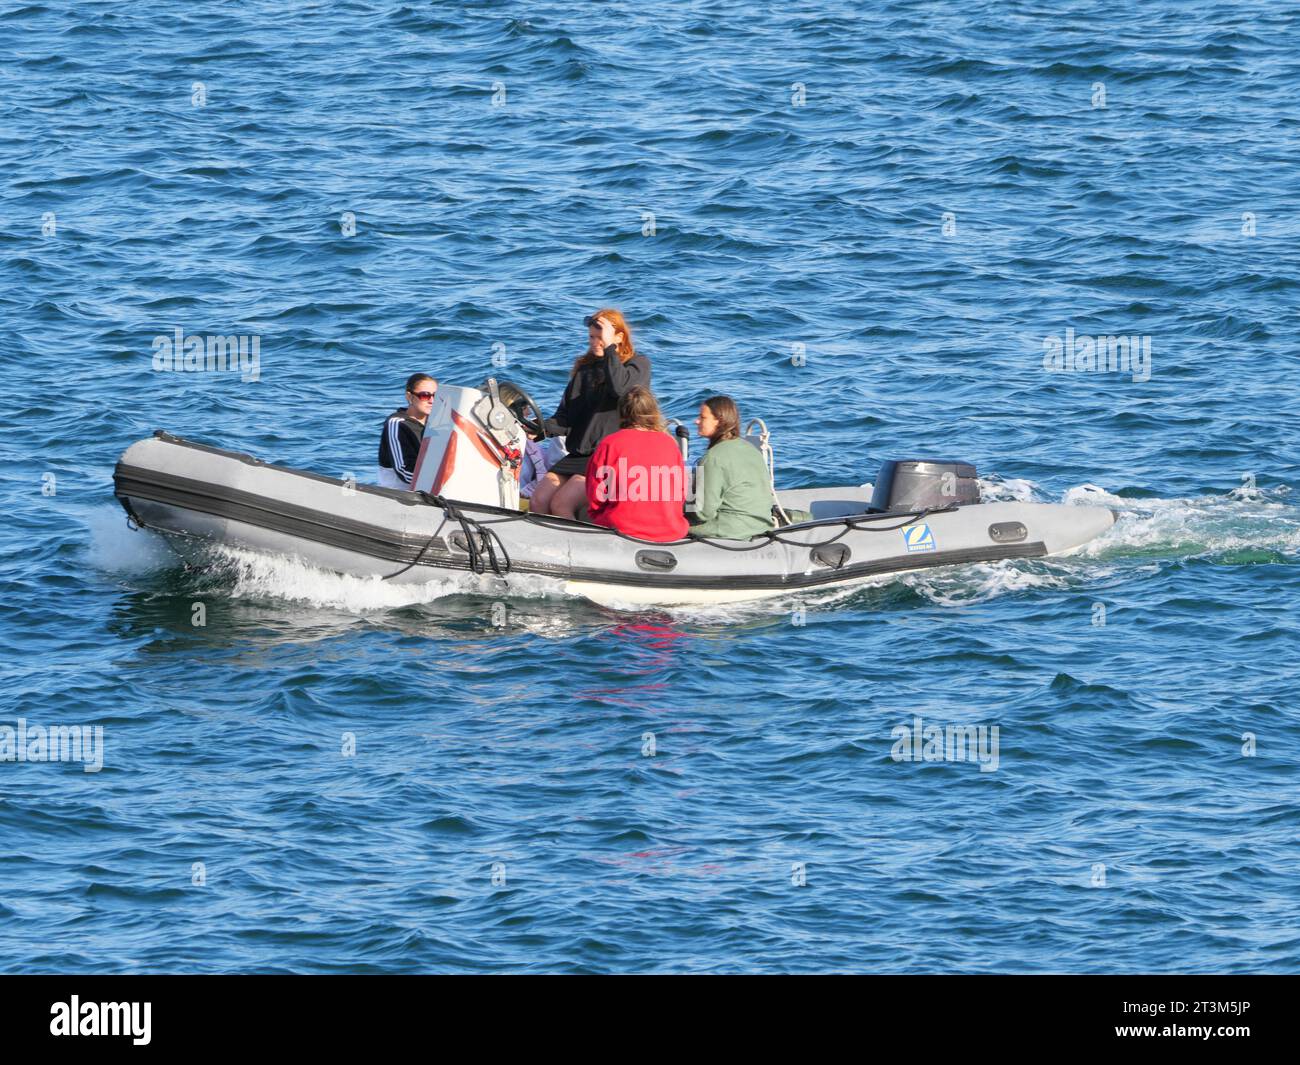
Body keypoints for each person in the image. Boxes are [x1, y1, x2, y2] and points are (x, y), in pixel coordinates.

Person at [532, 309, 650, 518]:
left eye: (600, 337)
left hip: (610, 457)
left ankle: (571, 550)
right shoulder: (584, 371)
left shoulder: (637, 365)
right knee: (539, 499)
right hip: (580, 454)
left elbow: (619, 390)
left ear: (619, 338)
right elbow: (565, 418)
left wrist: (610, 351)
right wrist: (537, 429)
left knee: (561, 503)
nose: (595, 342)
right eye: (591, 337)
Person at [586, 387, 688, 542]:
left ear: (621, 413)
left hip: (622, 528)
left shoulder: (610, 444)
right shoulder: (670, 443)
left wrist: (601, 517)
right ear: (653, 411)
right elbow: (680, 492)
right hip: (670, 530)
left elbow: (596, 496)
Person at [688, 395, 779, 540]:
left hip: (732, 530)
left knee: (675, 525)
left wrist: (682, 502)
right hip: (762, 525)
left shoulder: (713, 457)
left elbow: (703, 513)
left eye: (702, 417)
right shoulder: (750, 449)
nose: (696, 421)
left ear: (719, 421)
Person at [377, 373, 436, 489]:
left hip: (430, 491)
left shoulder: (437, 424)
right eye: (425, 395)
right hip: (399, 495)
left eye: (436, 395)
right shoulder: (397, 424)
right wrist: (437, 476)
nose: (432, 400)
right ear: (409, 397)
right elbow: (404, 472)